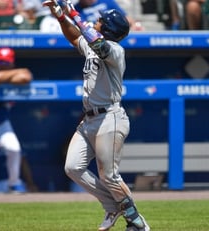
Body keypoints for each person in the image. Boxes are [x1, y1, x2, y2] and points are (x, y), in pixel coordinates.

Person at [42, 1, 150, 230]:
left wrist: (74, 13)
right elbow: (74, 38)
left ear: (108, 28)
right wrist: (62, 18)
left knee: (109, 175)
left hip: (109, 117)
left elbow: (98, 44)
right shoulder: (92, 44)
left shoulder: (114, 50)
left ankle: (137, 222)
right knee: (72, 167)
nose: (97, 20)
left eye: (101, 20)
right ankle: (112, 205)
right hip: (90, 119)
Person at [0, 47, 33, 193]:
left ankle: (13, 183)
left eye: (6, 63)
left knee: (14, 149)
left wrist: (6, 76)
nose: (3, 65)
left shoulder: (13, 76)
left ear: (12, 63)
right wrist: (12, 74)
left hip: (2, 124)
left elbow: (26, 76)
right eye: (1, 62)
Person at [74, 0, 143, 31]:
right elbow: (80, 27)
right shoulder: (76, 9)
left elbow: (124, 17)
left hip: (113, 34)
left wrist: (134, 25)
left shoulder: (107, 1)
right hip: (94, 38)